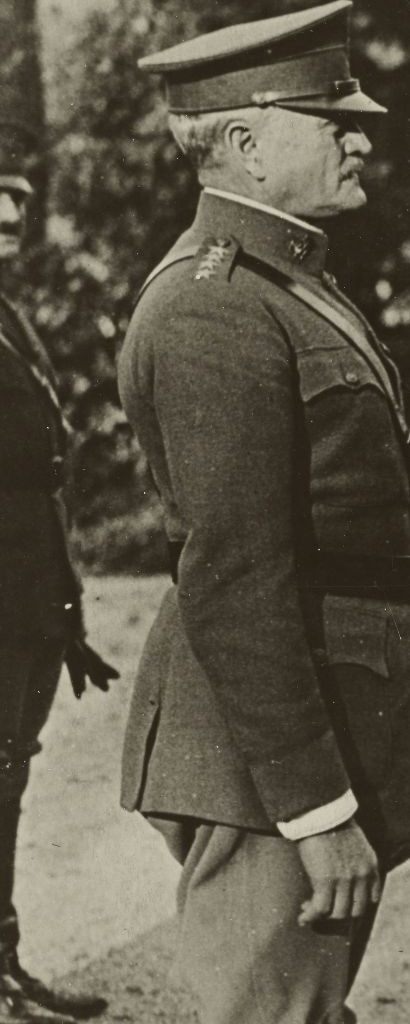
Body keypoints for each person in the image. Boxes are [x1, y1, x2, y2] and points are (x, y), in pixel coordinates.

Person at [119, 1, 410, 1023]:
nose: (361, 141)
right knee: (275, 1013)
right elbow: (234, 575)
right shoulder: (214, 305)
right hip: (268, 739)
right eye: (333, 122)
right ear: (244, 144)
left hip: (320, 702)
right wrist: (314, 809)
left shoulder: (282, 282)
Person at [0, 122, 117, 1022]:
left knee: (8, 775)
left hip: (29, 598)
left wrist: (62, 610)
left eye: (15, 199)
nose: (10, 215)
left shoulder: (6, 315)